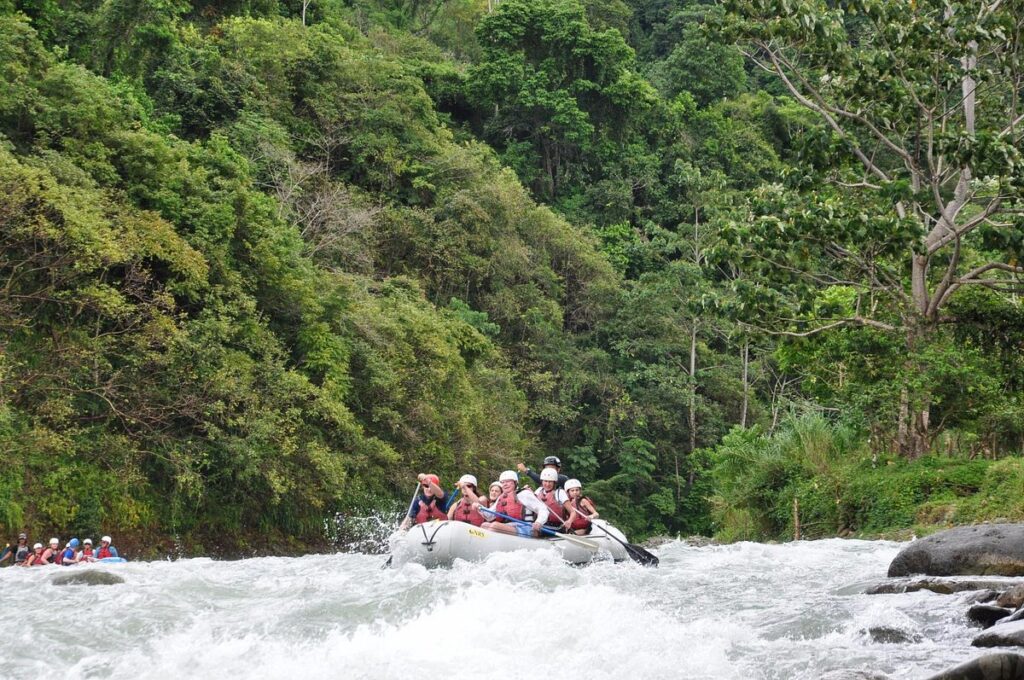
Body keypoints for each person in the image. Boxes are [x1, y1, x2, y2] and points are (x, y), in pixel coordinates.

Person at [476, 470, 549, 537]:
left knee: (494, 526)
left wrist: (539, 522)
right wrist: (480, 508)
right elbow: (490, 516)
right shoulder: (501, 497)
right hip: (510, 526)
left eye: (508, 482)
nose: (505, 484)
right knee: (484, 525)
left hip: (527, 528)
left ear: (515, 483)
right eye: (503, 482)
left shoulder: (524, 494)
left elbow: (543, 509)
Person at [534, 467, 570, 531]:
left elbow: (573, 512)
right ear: (542, 481)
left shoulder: (560, 493)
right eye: (545, 481)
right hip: (541, 524)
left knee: (535, 531)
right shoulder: (538, 491)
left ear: (554, 482)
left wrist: (569, 521)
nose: (547, 484)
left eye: (550, 482)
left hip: (557, 526)